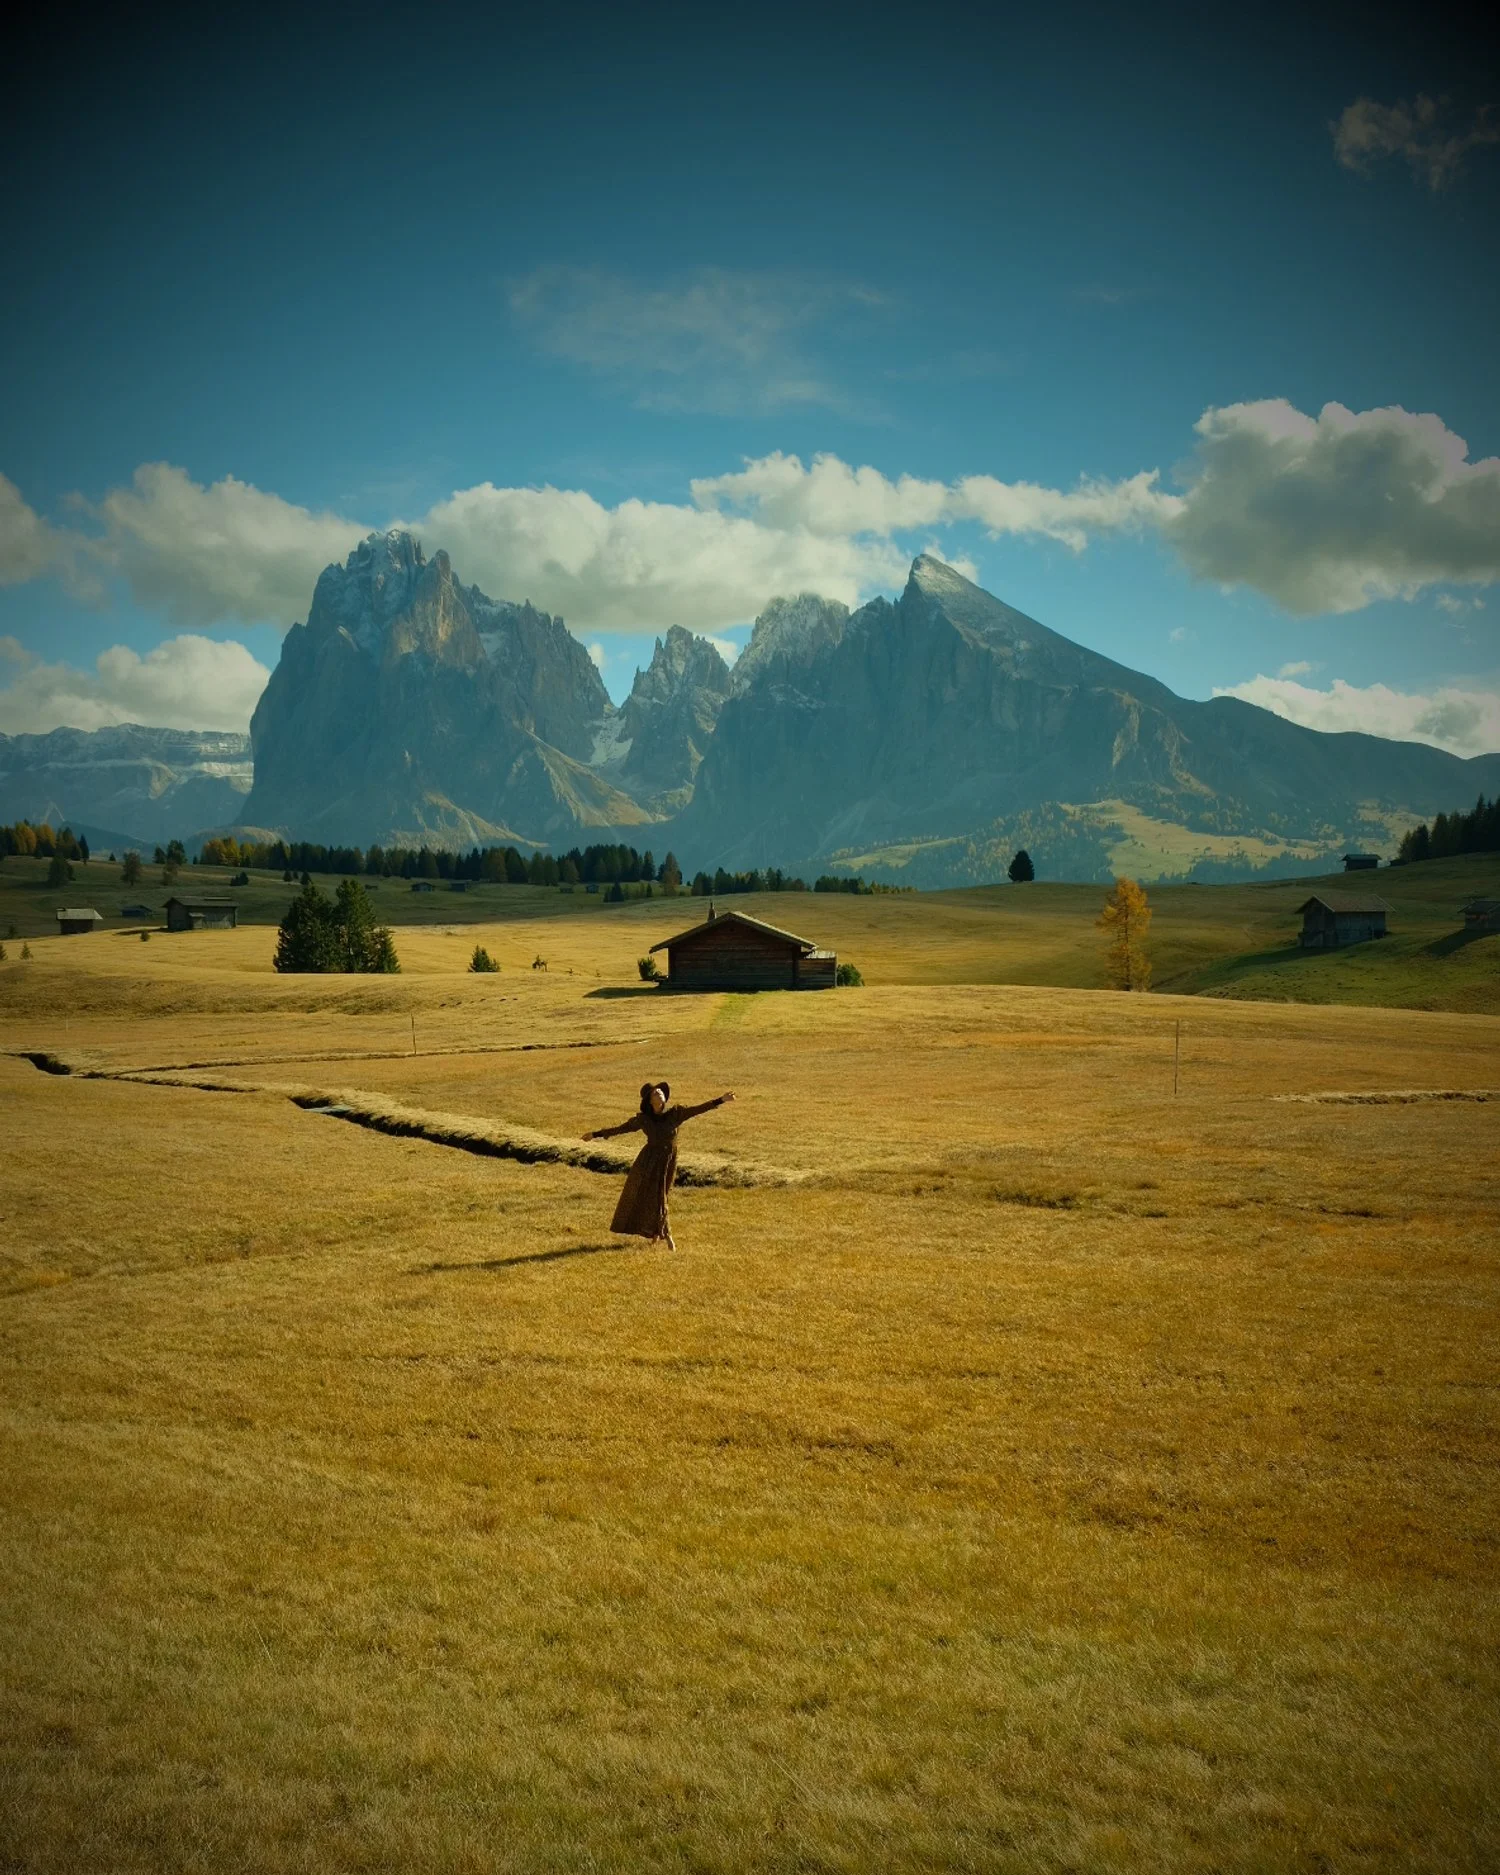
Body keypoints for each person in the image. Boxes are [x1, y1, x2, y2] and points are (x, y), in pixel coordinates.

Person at [584, 1081, 734, 1250]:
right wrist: (595, 1134)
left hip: (668, 1160)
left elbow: (697, 1109)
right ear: (649, 1101)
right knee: (652, 1196)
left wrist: (721, 1100)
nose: (659, 1094)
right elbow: (622, 1128)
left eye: (660, 1092)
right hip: (648, 1161)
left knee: (661, 1195)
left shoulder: (676, 1113)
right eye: (655, 1093)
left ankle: (656, 1234)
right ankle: (667, 1235)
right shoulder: (644, 1120)